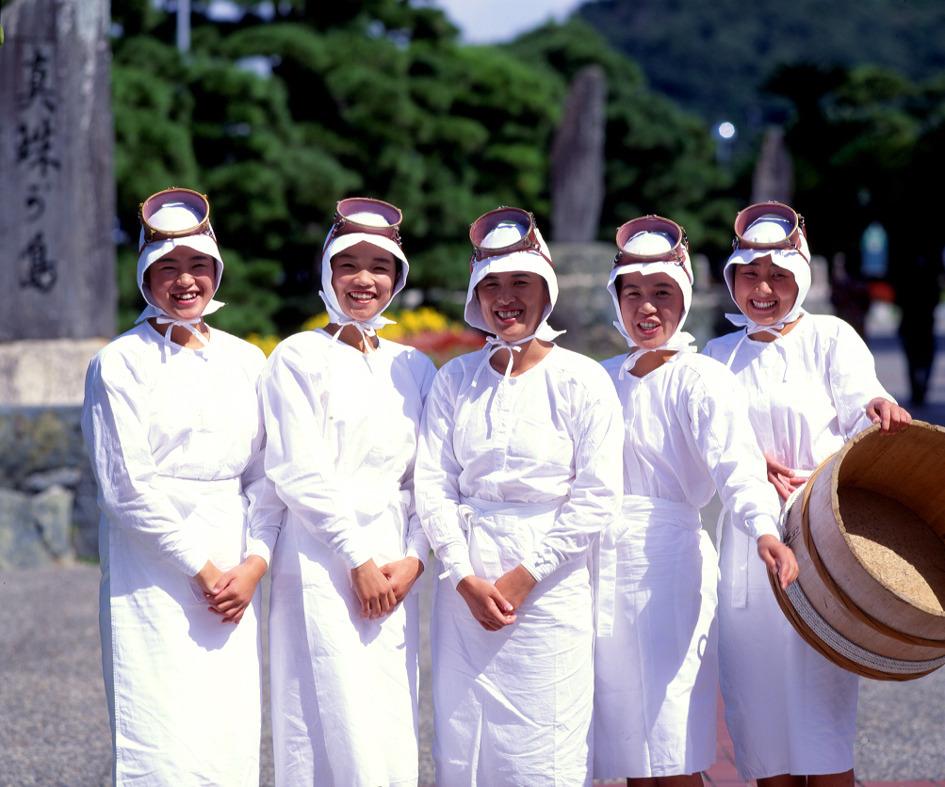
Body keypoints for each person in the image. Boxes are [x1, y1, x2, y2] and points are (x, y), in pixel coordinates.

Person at [704, 201, 911, 787]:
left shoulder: (829, 336)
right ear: (731, 278)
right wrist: (749, 457)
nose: (763, 289)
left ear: (801, 277)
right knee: (758, 711)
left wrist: (875, 410)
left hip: (820, 537)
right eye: (750, 275)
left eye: (777, 276)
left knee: (819, 712)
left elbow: (858, 400)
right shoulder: (717, 357)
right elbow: (706, 439)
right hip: (748, 543)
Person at [415, 207, 623, 786]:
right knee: (464, 745)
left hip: (550, 591)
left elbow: (597, 495)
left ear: (547, 289)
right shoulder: (455, 379)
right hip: (464, 588)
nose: (505, 298)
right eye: (492, 284)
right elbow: (433, 480)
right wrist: (461, 574)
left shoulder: (583, 379)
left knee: (546, 746)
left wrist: (525, 575)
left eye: (520, 282)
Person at [82, 187, 283, 785]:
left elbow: (267, 475)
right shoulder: (118, 363)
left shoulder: (248, 360)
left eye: (198, 265)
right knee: (160, 728)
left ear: (217, 270)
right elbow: (126, 487)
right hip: (152, 564)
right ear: (144, 276)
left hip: (234, 556)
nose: (185, 281)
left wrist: (253, 564)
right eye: (166, 268)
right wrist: (201, 567)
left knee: (227, 726)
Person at [592, 215, 798, 786]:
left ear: (684, 300)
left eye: (663, 293)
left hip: (670, 567)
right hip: (600, 566)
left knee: (672, 733)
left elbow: (737, 466)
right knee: (625, 739)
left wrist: (763, 530)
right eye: (633, 293)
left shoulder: (703, 379)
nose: (647, 308)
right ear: (617, 300)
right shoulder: (596, 379)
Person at [260, 197, 435, 786]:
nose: (365, 279)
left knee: (387, 714)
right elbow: (297, 468)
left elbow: (426, 477)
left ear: (398, 276)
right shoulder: (298, 357)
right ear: (328, 272)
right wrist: (355, 557)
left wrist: (413, 558)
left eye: (380, 265)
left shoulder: (414, 366)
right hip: (319, 556)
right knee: (322, 716)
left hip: (393, 560)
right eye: (349, 264)